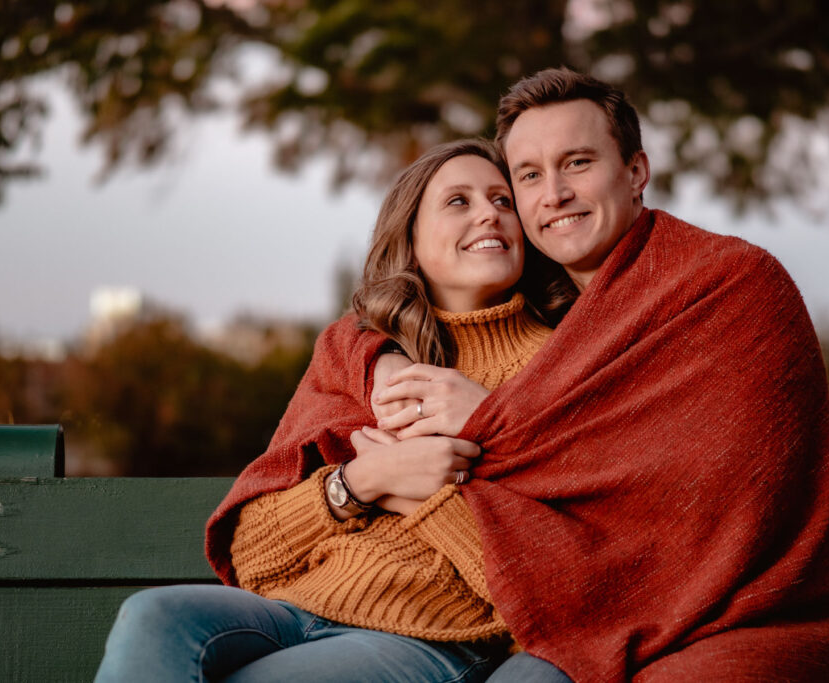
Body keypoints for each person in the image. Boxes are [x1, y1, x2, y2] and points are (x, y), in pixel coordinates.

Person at [375, 68, 829, 680]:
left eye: (577, 163)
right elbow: (395, 311)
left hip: (741, 618)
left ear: (636, 171)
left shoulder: (732, 283)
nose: (554, 194)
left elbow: (707, 485)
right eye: (529, 176)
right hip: (584, 616)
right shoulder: (541, 311)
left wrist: (487, 421)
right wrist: (380, 354)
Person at [94, 139, 558, 682]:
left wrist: (420, 497)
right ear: (409, 238)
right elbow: (252, 553)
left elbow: (552, 584)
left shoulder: (561, 365)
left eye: (503, 201)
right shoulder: (362, 358)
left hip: (430, 637)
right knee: (153, 617)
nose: (489, 214)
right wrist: (363, 480)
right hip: (292, 610)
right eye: (459, 201)